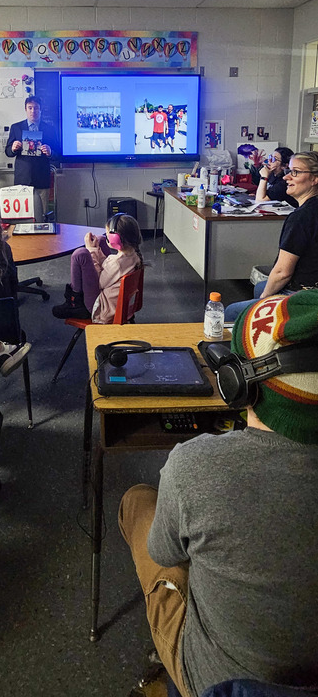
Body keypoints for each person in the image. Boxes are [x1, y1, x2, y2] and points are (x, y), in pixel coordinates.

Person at [119, 290, 318, 697]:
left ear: (237, 383)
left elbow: (163, 554)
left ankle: (173, 672)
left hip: (218, 682)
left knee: (138, 501)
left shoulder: (193, 466)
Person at [225, 151, 318, 322]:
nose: (286, 177)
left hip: (305, 296)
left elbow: (283, 273)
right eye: (288, 171)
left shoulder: (300, 218)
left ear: (314, 179)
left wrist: (262, 302)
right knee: (260, 286)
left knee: (231, 312)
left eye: (295, 172)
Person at [52, 212, 142, 323]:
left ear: (115, 240)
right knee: (100, 240)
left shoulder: (118, 263)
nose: (107, 235)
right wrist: (97, 250)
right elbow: (108, 267)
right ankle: (76, 301)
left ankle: (74, 303)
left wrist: (91, 250)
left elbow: (98, 281)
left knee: (80, 254)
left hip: (101, 309)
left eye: (108, 234)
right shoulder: (134, 256)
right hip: (117, 305)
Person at [5, 96, 58, 221]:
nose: (33, 111)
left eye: (36, 108)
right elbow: (8, 152)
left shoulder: (49, 129)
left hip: (42, 178)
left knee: (42, 215)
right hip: (23, 178)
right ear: (25, 109)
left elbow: (58, 154)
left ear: (40, 110)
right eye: (30, 108)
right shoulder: (16, 127)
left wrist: (50, 152)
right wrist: (13, 148)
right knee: (23, 215)